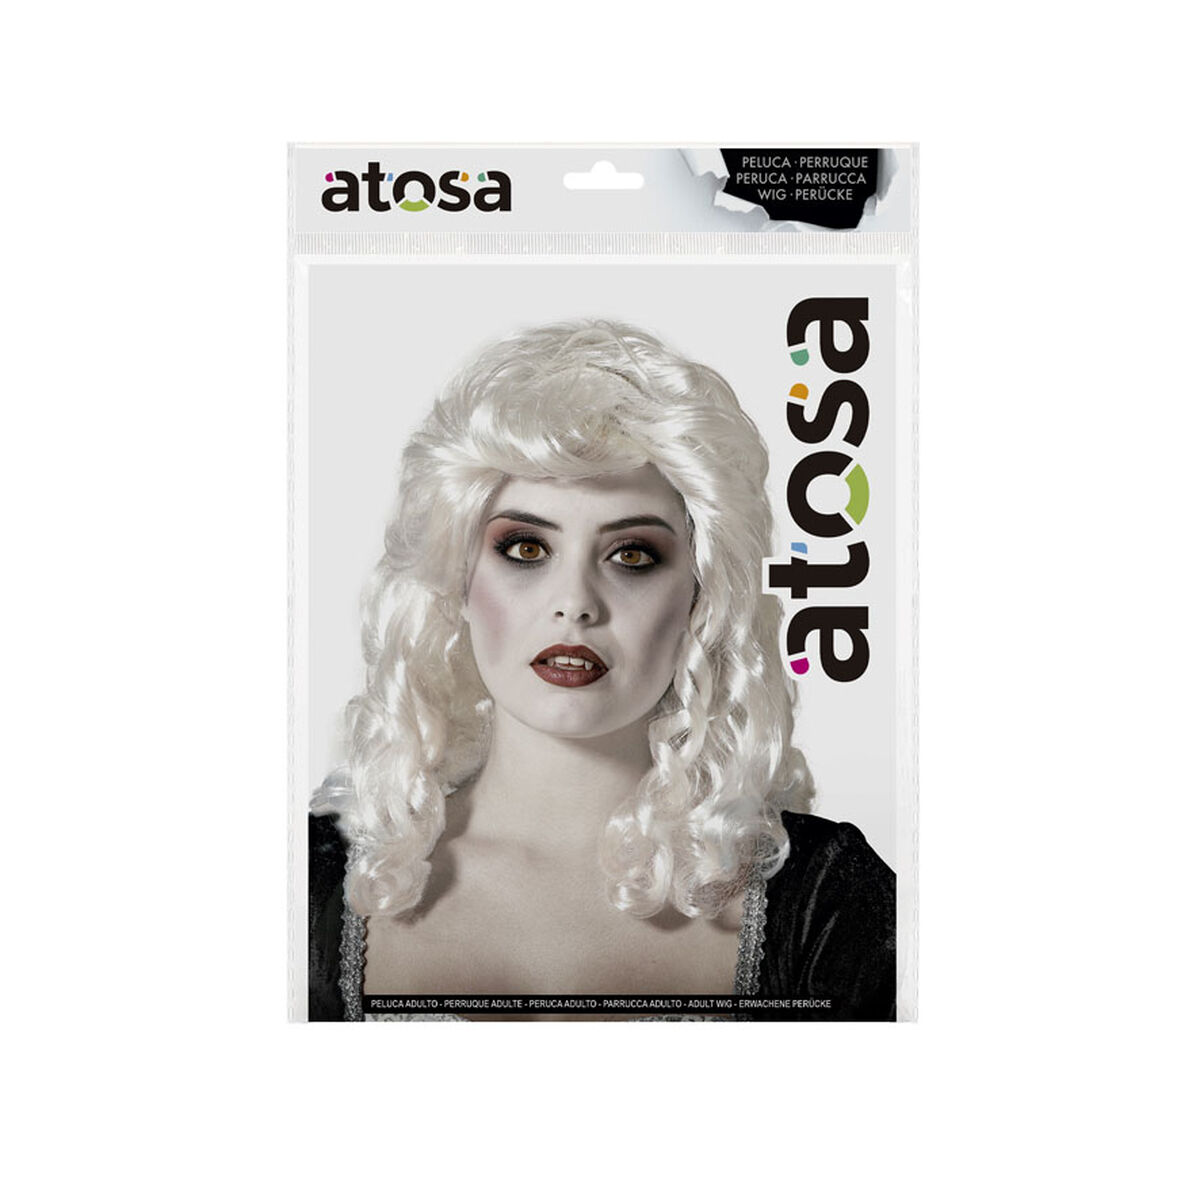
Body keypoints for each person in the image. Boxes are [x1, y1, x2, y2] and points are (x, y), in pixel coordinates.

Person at [309, 320, 894, 1021]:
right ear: (456, 578)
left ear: (701, 598)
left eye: (632, 555)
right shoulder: (304, 885)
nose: (576, 604)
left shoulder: (829, 900)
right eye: (526, 549)